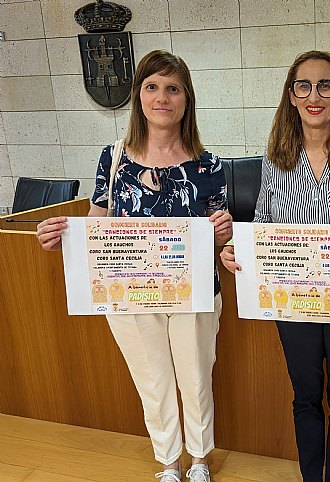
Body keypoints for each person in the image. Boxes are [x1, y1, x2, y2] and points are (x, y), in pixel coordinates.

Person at [35, 50, 232, 482]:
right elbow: (97, 222)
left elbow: (221, 232)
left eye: (173, 88)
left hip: (194, 290)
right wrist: (61, 238)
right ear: (139, 96)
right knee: (152, 380)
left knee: (196, 378)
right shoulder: (113, 159)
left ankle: (199, 459)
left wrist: (223, 231)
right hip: (130, 292)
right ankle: (168, 463)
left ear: (187, 99)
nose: (162, 97)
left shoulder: (208, 164)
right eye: (152, 87)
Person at [220, 50, 330, 482]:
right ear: (292, 95)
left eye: (325, 86)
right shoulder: (277, 155)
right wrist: (237, 250)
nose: (314, 95)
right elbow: (263, 220)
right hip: (293, 298)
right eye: (304, 86)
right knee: (304, 396)